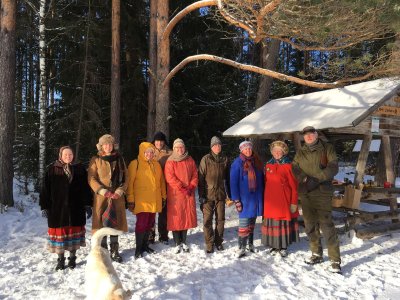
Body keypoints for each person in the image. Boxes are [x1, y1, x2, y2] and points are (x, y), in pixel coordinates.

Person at [292, 126, 341, 273]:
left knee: (327, 226)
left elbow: (333, 167)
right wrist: (304, 178)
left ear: (316, 134)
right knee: (310, 225)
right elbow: (294, 167)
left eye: (310, 134)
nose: (308, 137)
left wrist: (317, 179)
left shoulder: (327, 148)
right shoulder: (301, 152)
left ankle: (335, 260)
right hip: (306, 193)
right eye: (305, 135)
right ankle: (316, 253)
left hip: (322, 192)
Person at [40, 146, 92, 271]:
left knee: (73, 235)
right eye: (65, 155)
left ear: (73, 155)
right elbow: (45, 190)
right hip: (57, 210)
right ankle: (61, 260)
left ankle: (73, 258)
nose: (68, 157)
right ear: (60, 155)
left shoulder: (80, 169)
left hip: (76, 209)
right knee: (61, 237)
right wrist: (45, 206)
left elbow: (86, 188)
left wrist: (87, 204)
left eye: (70, 154)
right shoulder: (52, 170)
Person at [88, 134, 128, 263]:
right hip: (102, 197)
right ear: (101, 146)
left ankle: (115, 251)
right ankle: (103, 251)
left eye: (110, 144)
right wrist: (102, 191)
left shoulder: (120, 159)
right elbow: (91, 178)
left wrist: (120, 190)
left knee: (115, 223)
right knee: (101, 224)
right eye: (105, 144)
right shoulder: (96, 160)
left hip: (117, 196)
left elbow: (126, 177)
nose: (108, 146)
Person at [126, 142, 167, 259]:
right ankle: (138, 248)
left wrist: (164, 196)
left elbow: (162, 182)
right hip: (142, 201)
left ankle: (145, 245)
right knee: (141, 224)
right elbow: (130, 184)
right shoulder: (135, 164)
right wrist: (130, 199)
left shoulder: (157, 165)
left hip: (154, 200)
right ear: (142, 152)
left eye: (151, 152)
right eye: (147, 152)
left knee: (150, 223)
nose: (149, 154)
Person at [262, 141, 299, 257]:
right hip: (270, 202)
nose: (277, 153)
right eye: (275, 151)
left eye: (279, 151)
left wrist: (294, 202)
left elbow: (294, 185)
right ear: (272, 152)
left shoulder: (288, 165)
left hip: (284, 201)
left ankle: (283, 246)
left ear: (283, 152)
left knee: (282, 223)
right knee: (272, 223)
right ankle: (274, 245)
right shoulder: (268, 165)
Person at [230, 141, 264, 258]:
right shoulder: (237, 163)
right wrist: (236, 200)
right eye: (245, 149)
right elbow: (233, 183)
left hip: (255, 199)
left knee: (251, 224)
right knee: (243, 224)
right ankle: (241, 247)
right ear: (241, 150)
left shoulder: (256, 162)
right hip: (244, 200)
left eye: (249, 149)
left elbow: (262, 180)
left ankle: (250, 244)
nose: (248, 151)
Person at [164, 138, 198, 254]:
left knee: (186, 217)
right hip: (175, 194)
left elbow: (195, 174)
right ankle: (177, 242)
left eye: (181, 147)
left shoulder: (190, 159)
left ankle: (184, 241)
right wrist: (182, 188)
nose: (180, 149)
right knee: (176, 218)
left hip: (188, 193)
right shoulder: (170, 161)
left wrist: (192, 186)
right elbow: (170, 178)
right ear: (174, 149)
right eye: (177, 148)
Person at [198, 136, 230, 253]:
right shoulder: (205, 159)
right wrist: (201, 195)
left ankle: (219, 241)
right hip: (207, 195)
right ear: (211, 147)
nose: (217, 147)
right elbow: (200, 178)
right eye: (215, 145)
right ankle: (209, 243)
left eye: (219, 145)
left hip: (221, 194)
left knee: (220, 219)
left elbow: (228, 178)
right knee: (207, 220)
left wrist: (229, 194)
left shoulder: (225, 159)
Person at [149, 131, 173, 244]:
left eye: (161, 141)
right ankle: (150, 235)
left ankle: (163, 235)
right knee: (151, 212)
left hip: (165, 186)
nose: (159, 143)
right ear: (154, 141)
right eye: (157, 141)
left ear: (164, 141)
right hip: (151, 187)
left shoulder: (170, 153)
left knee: (164, 213)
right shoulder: (148, 151)